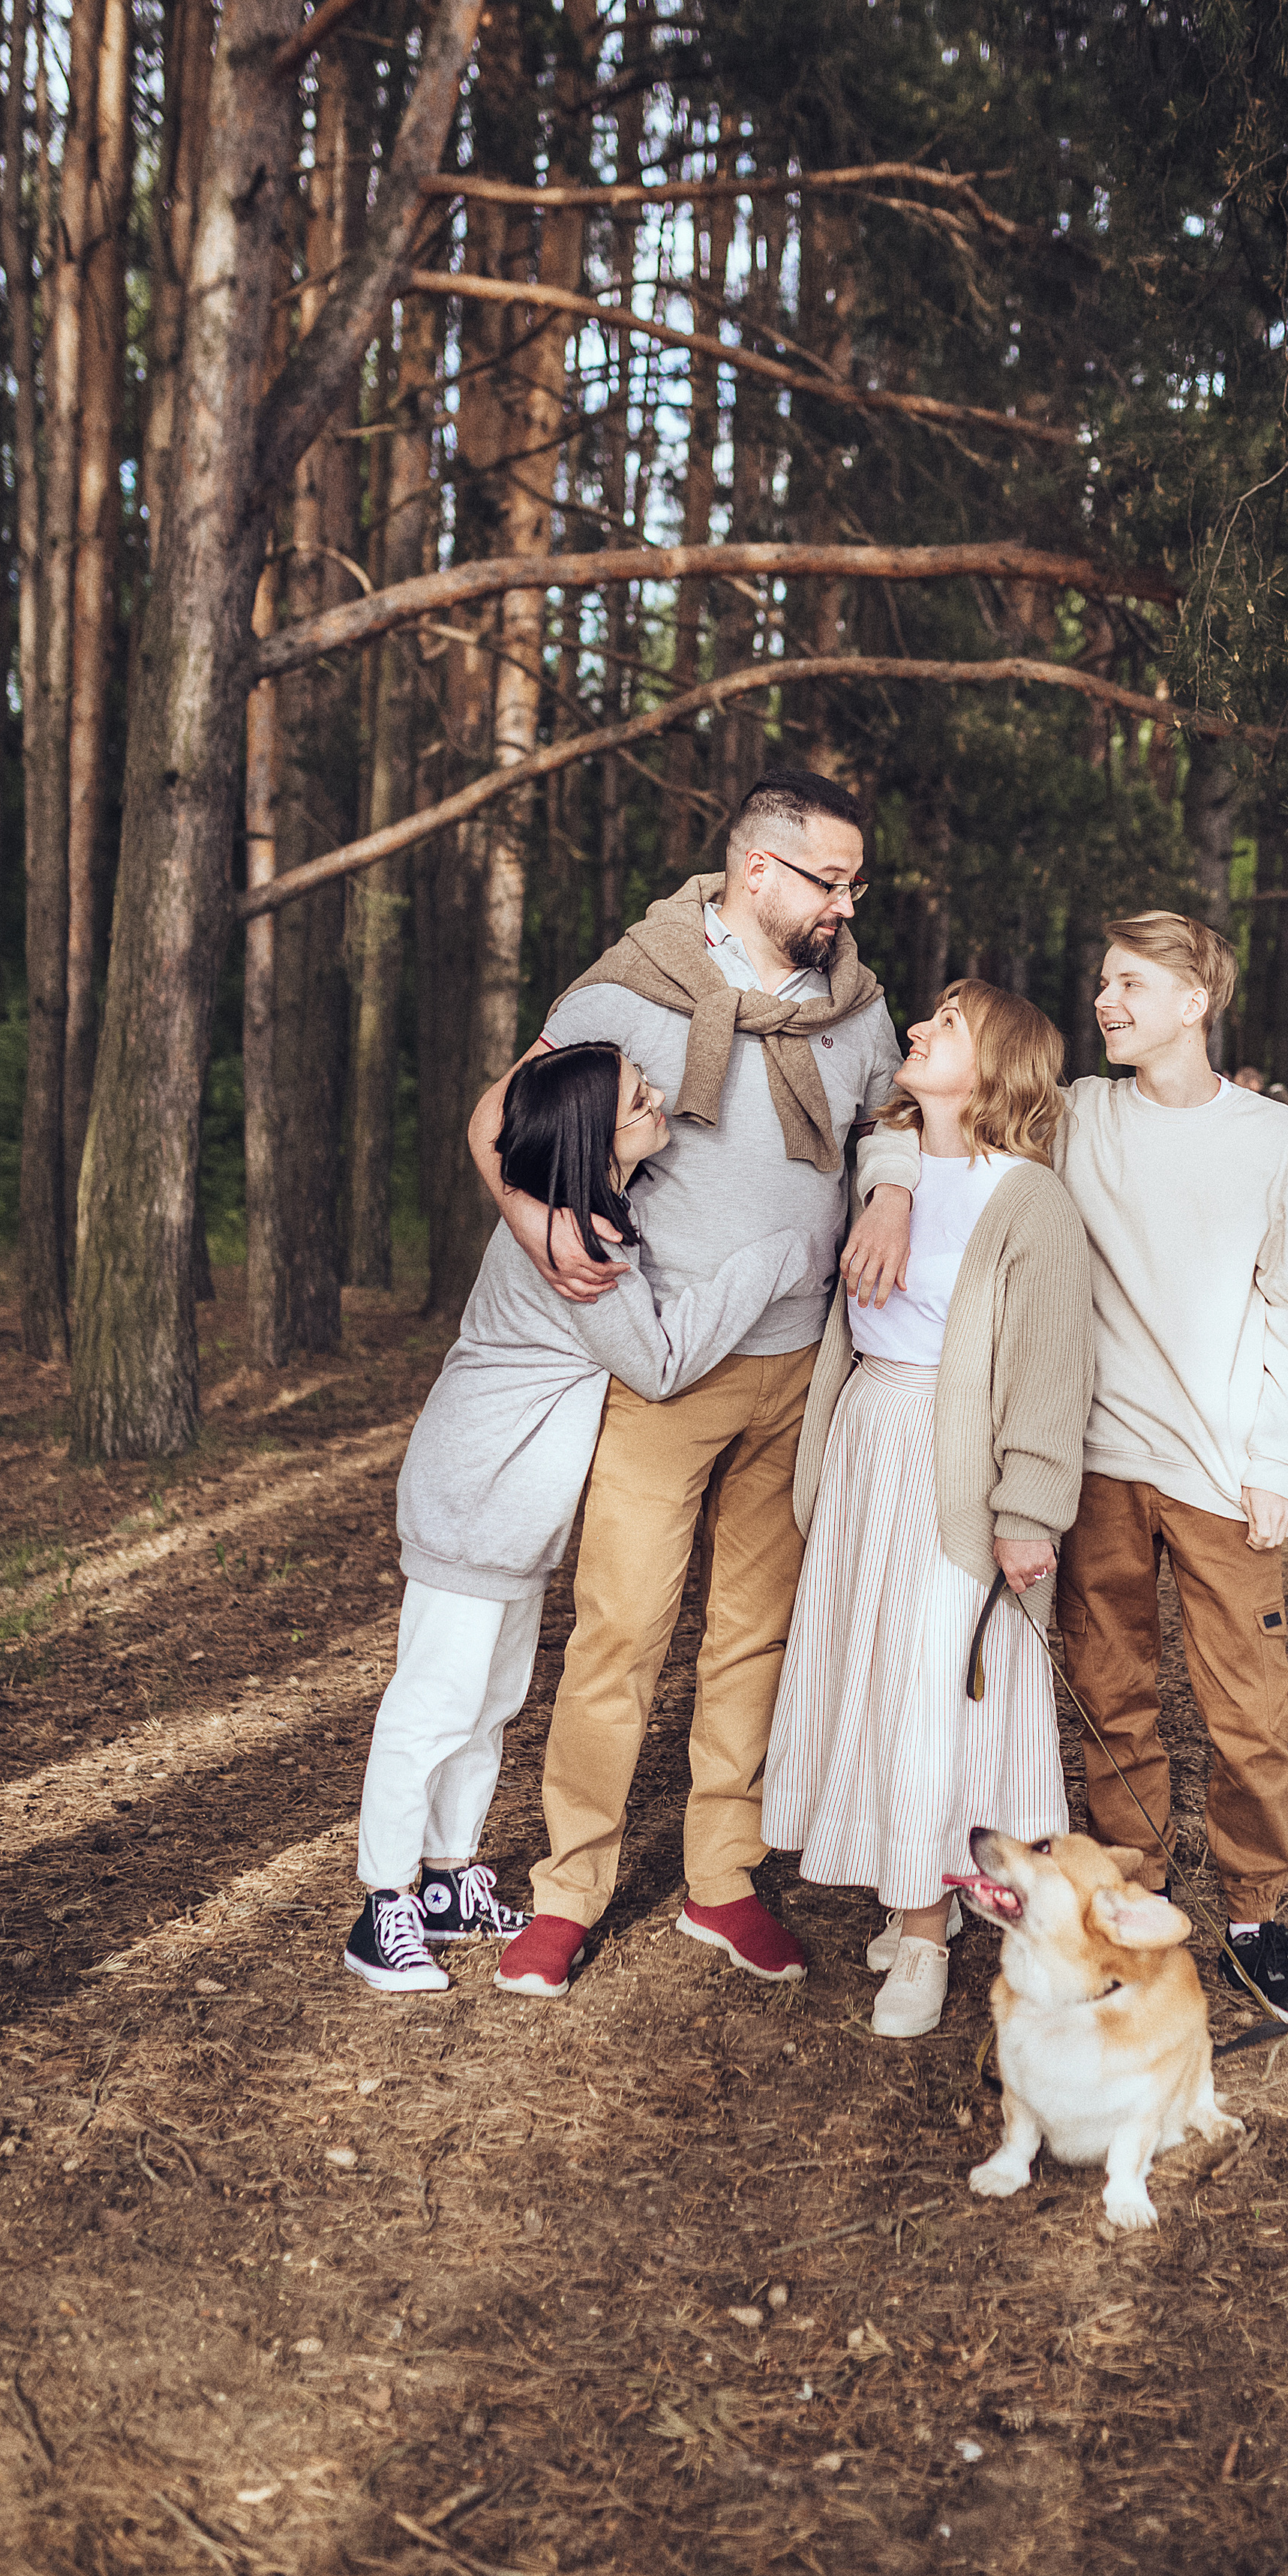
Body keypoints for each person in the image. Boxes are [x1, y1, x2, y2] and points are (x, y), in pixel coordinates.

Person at [462, 771, 913, 1999]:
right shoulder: (632, 988)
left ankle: (722, 1879)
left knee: (753, 1636)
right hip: (665, 1372)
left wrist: (891, 1188)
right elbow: (499, 1118)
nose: (846, 903)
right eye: (830, 879)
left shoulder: (857, 1008)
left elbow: (898, 1120)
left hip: (799, 1371)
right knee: (621, 1633)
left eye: (856, 883)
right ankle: (570, 1893)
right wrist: (539, 1226)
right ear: (756, 872)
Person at [862, 912, 1288, 2023]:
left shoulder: (1274, 1141)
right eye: (1102, 984)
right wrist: (887, 1184)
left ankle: (1259, 1918)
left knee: (1248, 1714)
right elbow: (931, 1127)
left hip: (1222, 1478)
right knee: (1115, 1705)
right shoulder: (1075, 1115)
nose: (1105, 1003)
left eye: (1129, 985)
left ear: (1193, 1002)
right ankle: (1134, 1902)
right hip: (1098, 1469)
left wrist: (1280, 1460)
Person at [346, 1045, 807, 1994]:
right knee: (434, 1704)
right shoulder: (576, 1250)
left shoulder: (580, 1219)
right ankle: (379, 1902)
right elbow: (663, 1363)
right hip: (476, 1499)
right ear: (594, 1140)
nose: (659, 1100)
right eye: (638, 1098)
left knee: (487, 1706)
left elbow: (497, 1124)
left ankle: (446, 1879)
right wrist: (777, 1260)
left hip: (512, 1516)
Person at [763, 981, 1094, 2037]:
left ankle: (919, 1934)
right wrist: (892, 1181)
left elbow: (1049, 1369)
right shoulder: (887, 1165)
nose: (917, 1029)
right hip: (869, 1443)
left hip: (955, 1471)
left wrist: (1030, 1508)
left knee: (933, 1680)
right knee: (875, 1672)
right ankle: (923, 1899)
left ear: (997, 1066)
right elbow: (878, 1141)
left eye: (945, 1025)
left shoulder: (1029, 1197)